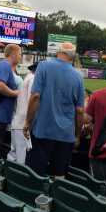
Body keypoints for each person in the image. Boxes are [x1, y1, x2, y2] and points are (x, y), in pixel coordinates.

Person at [24, 43, 85, 177]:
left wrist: (28, 122)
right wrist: (77, 135)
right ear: (73, 56)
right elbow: (80, 111)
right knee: (59, 178)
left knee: (35, 176)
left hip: (42, 131)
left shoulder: (44, 66)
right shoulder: (78, 76)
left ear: (58, 52)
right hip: (65, 135)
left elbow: (35, 96)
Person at [7, 62, 38, 164]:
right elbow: (32, 100)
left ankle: (10, 177)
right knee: (22, 159)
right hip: (24, 124)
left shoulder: (28, 77)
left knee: (14, 155)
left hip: (18, 121)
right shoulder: (33, 79)